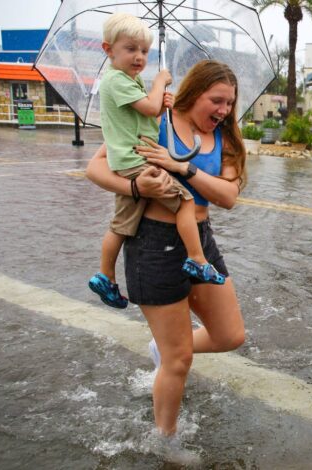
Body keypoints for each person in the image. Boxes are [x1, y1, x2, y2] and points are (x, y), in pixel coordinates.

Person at [85, 60, 246, 438]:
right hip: (153, 243)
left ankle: (164, 349)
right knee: (180, 359)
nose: (223, 111)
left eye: (229, 104)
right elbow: (95, 169)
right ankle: (166, 442)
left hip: (200, 241)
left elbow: (228, 196)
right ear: (195, 92)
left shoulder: (227, 138)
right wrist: (138, 189)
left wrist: (183, 168)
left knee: (230, 335)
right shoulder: (155, 120)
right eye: (216, 101)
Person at [88, 13, 224, 310]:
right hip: (137, 161)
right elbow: (147, 111)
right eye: (131, 49)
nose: (139, 57)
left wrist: (160, 103)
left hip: (132, 160)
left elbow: (147, 112)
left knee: (121, 225)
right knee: (185, 200)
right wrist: (160, 82)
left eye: (144, 51)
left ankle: (105, 276)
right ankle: (197, 259)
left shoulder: (129, 82)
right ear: (108, 49)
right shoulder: (117, 80)